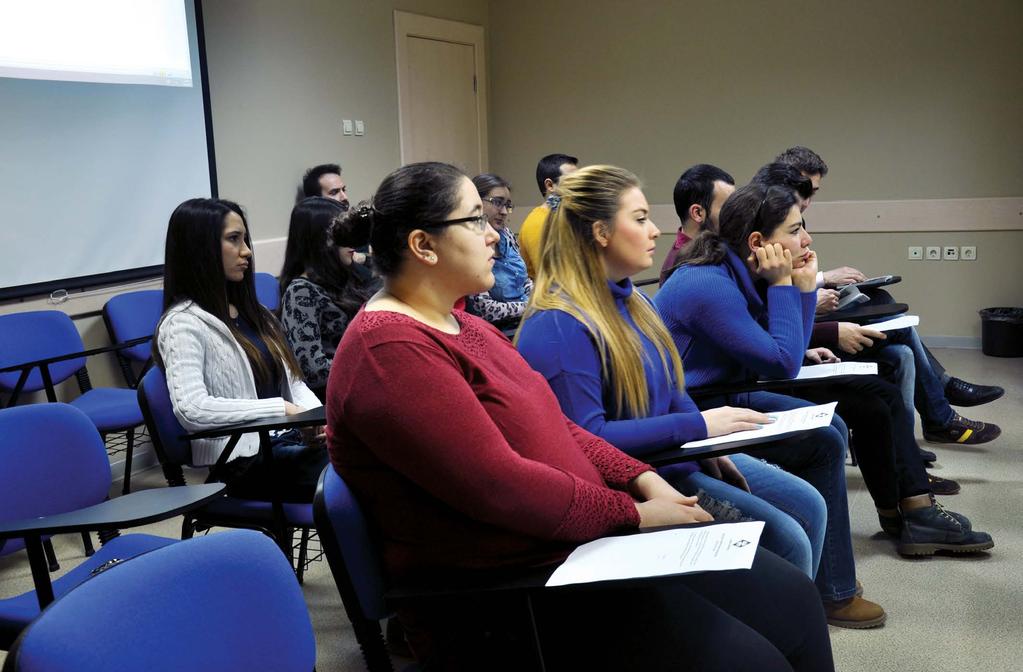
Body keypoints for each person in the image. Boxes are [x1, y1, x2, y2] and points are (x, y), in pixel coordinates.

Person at [326, 162, 834, 671]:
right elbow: (501, 486)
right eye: (477, 220)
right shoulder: (389, 348)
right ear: (424, 245)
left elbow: (557, 425)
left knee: (793, 599)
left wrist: (641, 478)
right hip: (508, 590)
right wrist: (631, 513)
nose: (494, 235)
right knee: (752, 660)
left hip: (572, 547)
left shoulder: (461, 323)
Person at [655, 184, 993, 579]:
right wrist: (791, 285)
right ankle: (837, 589)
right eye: (796, 229)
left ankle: (853, 566)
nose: (807, 238)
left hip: (728, 392)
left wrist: (796, 285)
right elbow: (783, 363)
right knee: (826, 435)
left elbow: (788, 350)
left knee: (832, 425)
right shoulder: (708, 283)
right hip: (700, 405)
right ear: (758, 242)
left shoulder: (739, 270)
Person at [516, 165, 825, 580]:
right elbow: (588, 441)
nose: (656, 231)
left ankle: (799, 619)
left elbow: (673, 386)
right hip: (637, 482)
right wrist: (696, 429)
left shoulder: (635, 301)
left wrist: (709, 449)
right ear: (601, 232)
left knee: (808, 504)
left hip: (678, 458)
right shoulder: (559, 325)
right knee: (786, 538)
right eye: (640, 219)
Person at [774, 146, 1005, 413]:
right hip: (799, 323)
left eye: (812, 193)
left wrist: (822, 282)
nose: (807, 201)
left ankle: (937, 409)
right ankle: (943, 395)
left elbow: (792, 276)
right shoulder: (768, 222)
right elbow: (774, 292)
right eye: (804, 191)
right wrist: (820, 285)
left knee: (892, 325)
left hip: (804, 310)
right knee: (893, 321)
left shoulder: (795, 217)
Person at [155, 198, 326, 503]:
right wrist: (280, 409)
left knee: (371, 455)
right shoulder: (182, 323)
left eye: (244, 239)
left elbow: (294, 383)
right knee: (354, 474)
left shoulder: (254, 312)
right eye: (234, 239)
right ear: (200, 248)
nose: (247, 250)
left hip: (282, 443)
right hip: (240, 464)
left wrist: (314, 421)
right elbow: (191, 409)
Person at [278, 197, 379, 399]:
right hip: (339, 399)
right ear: (321, 240)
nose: (352, 240)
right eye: (342, 232)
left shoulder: (348, 278)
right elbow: (313, 370)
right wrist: (374, 368)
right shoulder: (301, 291)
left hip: (367, 388)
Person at [464, 173, 532, 326]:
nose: (504, 212)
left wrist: (538, 297)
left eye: (507, 205)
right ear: (476, 202)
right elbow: (484, 309)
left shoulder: (507, 234)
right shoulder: (468, 242)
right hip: (498, 330)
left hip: (526, 320)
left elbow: (523, 280)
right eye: (497, 202)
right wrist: (529, 307)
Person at [660, 164, 735, 285]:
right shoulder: (688, 271)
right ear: (698, 213)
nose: (735, 213)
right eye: (728, 207)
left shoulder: (705, 251)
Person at [518, 153, 578, 277]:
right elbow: (553, 279)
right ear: (550, 185)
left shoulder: (569, 216)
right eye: (572, 181)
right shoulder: (538, 222)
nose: (579, 187)